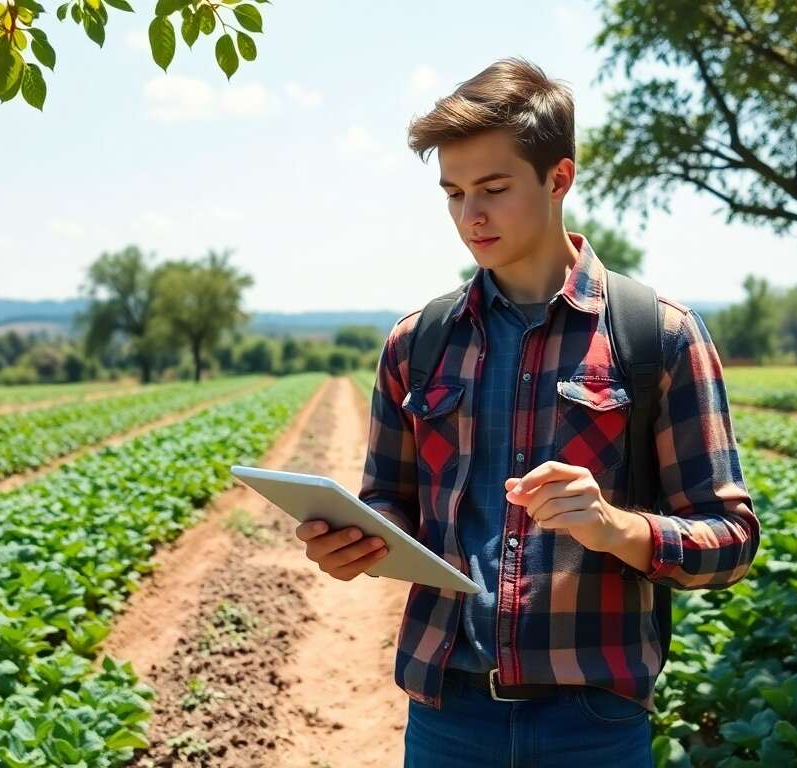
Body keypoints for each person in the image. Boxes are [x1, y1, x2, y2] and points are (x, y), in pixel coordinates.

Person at [293, 56, 761, 766]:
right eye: (452, 193)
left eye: (492, 188)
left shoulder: (657, 335)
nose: (469, 215)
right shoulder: (416, 344)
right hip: (448, 716)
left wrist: (616, 527)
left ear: (558, 179)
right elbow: (390, 502)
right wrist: (358, 542)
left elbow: (730, 541)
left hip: (592, 723)